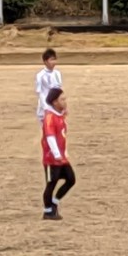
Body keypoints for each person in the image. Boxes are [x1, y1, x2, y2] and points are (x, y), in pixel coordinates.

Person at [41, 88, 75, 220]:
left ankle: (54, 202)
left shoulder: (58, 115)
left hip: (61, 157)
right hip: (52, 158)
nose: (65, 101)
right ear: (55, 102)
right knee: (51, 184)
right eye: (62, 99)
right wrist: (56, 154)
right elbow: (50, 137)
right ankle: (47, 211)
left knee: (71, 179)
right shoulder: (50, 117)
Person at [35, 48, 62, 124]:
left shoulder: (57, 74)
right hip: (45, 109)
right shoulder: (40, 75)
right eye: (51, 60)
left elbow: (59, 90)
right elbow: (40, 93)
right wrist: (46, 108)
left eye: (54, 59)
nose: (54, 62)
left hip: (56, 108)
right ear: (45, 61)